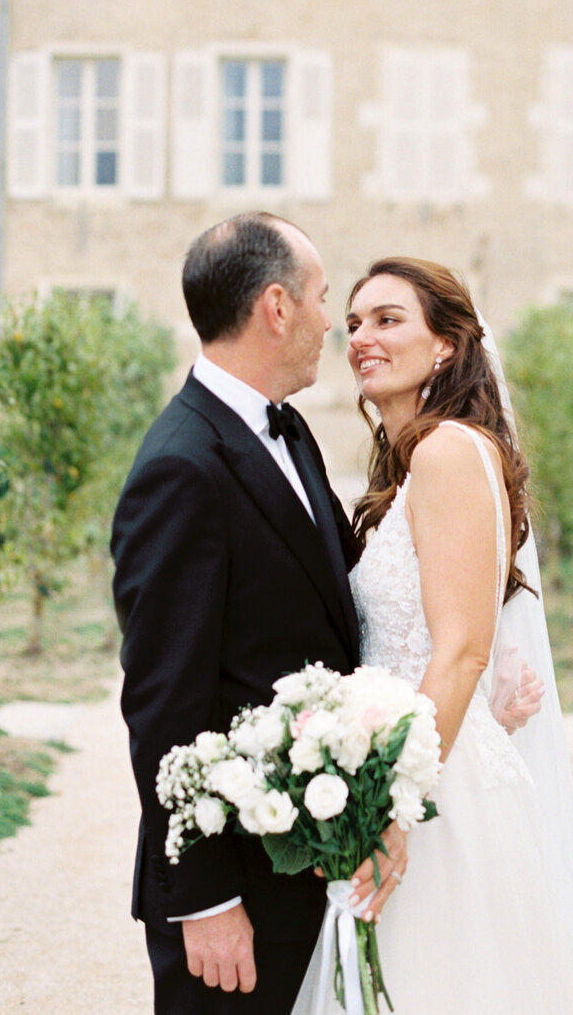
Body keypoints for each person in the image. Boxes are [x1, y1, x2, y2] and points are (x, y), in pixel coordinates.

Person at [292, 256, 573, 1015]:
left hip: (435, 795)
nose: (361, 336)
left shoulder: (448, 451)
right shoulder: (415, 461)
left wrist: (394, 811)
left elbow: (459, 651)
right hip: (425, 757)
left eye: (389, 319)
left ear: (447, 345)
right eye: (353, 321)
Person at [111, 213, 362, 1014]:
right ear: (278, 307)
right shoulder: (182, 467)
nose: (333, 320)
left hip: (302, 863)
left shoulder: (288, 434)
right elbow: (163, 702)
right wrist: (204, 896)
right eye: (324, 299)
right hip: (238, 887)